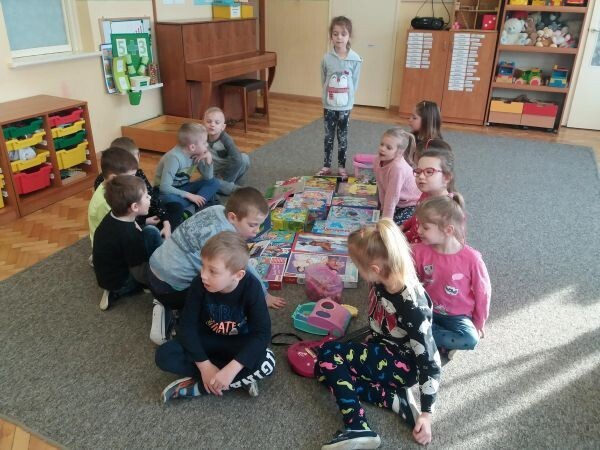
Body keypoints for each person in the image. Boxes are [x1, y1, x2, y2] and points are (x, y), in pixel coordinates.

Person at [316, 219, 441, 449]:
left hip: (404, 365)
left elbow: (430, 362)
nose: (356, 270)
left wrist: (426, 414)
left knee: (328, 355)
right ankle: (394, 399)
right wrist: (374, 338)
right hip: (383, 347)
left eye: (357, 266)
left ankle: (358, 427)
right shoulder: (383, 278)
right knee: (323, 371)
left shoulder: (413, 307)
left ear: (374, 269)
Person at [155, 231, 275, 402]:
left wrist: (233, 368)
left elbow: (262, 333)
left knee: (267, 361)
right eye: (203, 266)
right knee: (164, 355)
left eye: (213, 271)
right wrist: (204, 366)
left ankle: (201, 387)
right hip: (206, 340)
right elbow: (187, 327)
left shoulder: (252, 287)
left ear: (238, 275)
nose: (203, 275)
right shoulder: (199, 284)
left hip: (237, 343)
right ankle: (234, 379)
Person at [148, 187, 286, 310]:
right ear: (232, 217)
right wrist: (264, 295)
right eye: (252, 225)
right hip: (171, 292)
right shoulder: (224, 238)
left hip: (152, 270)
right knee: (231, 280)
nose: (257, 230)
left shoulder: (217, 208)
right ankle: (178, 311)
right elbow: (245, 268)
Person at [412, 196, 491, 360]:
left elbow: (483, 293)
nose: (418, 231)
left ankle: (424, 338)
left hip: (458, 316)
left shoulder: (472, 259)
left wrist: (479, 322)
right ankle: (438, 342)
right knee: (405, 321)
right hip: (427, 309)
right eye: (419, 225)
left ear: (448, 230)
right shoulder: (418, 251)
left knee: (471, 339)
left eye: (425, 227)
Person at [93, 175, 167, 312]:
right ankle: (117, 292)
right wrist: (155, 279)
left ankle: (113, 288)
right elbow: (139, 271)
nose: (150, 197)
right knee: (151, 233)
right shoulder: (129, 235)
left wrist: (141, 223)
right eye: (146, 196)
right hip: (121, 282)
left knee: (149, 230)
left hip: (107, 273)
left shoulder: (115, 215)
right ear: (134, 207)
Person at [94, 136, 182, 229]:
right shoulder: (106, 188)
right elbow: (119, 217)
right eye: (131, 173)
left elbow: (152, 197)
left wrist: (165, 221)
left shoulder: (137, 173)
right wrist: (145, 221)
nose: (134, 172)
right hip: (129, 217)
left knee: (176, 207)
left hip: (141, 210)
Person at [317, 16, 362, 179]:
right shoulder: (326, 58)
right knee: (328, 136)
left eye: (343, 34)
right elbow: (324, 79)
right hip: (329, 106)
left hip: (345, 107)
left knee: (342, 137)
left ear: (349, 36)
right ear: (331, 36)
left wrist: (348, 101)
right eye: (335, 34)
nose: (339, 38)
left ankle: (342, 167)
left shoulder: (355, 59)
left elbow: (354, 83)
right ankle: (326, 166)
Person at [88, 147, 151, 246]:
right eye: (130, 176)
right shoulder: (104, 203)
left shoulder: (113, 190)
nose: (134, 179)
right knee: (150, 234)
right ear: (113, 178)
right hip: (110, 242)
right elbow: (112, 232)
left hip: (120, 229)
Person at [154, 123, 219, 216]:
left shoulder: (196, 153)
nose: (207, 145)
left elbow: (208, 178)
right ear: (192, 147)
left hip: (184, 187)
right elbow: (164, 188)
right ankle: (197, 204)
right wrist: (189, 195)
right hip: (165, 193)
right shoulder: (174, 158)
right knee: (169, 200)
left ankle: (192, 207)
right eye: (204, 143)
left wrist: (209, 159)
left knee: (214, 182)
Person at [401, 140, 456, 244]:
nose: (421, 176)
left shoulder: (447, 210)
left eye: (429, 172)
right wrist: (402, 227)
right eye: (418, 171)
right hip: (412, 239)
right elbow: (416, 218)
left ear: (446, 177)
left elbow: (443, 247)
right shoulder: (426, 193)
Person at [373, 127, 421, 225]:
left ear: (399, 152)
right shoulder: (376, 160)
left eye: (388, 148)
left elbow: (392, 197)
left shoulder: (398, 168)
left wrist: (386, 221)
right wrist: (383, 208)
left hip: (411, 203)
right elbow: (381, 187)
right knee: (377, 214)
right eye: (382, 144)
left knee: (395, 227)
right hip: (397, 200)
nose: (382, 149)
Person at [204, 107, 250, 195]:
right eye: (209, 121)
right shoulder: (201, 137)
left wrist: (224, 176)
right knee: (207, 181)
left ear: (223, 127)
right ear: (204, 124)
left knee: (244, 158)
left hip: (228, 170)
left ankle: (227, 185)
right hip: (213, 173)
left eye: (217, 122)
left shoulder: (226, 140)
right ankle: (232, 187)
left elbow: (237, 160)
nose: (212, 125)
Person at [407, 100, 443, 165]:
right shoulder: (413, 135)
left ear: (426, 121)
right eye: (411, 116)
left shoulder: (433, 146)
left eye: (414, 118)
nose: (410, 119)